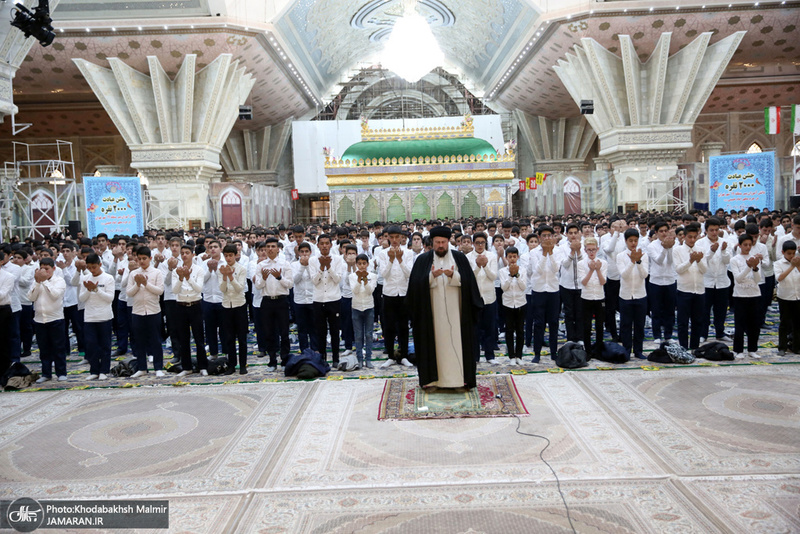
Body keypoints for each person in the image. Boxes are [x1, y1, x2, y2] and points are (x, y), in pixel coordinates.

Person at [407, 225, 483, 390]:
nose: (440, 246)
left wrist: (453, 276)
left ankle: (458, 381)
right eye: (437, 242)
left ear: (449, 241)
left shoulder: (459, 258)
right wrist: (430, 277)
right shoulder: (423, 260)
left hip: (457, 314)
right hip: (432, 315)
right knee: (434, 346)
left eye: (443, 242)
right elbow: (414, 287)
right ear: (432, 242)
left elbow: (470, 284)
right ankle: (433, 381)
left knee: (456, 345)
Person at [376, 226, 413, 368]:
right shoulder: (383, 254)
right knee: (389, 326)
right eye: (391, 237)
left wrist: (400, 259)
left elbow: (409, 274)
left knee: (403, 326)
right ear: (388, 238)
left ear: (402, 237)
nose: (395, 240)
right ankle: (391, 356)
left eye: (397, 237)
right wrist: (391, 260)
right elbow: (383, 274)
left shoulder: (408, 253)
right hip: (389, 293)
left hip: (403, 293)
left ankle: (403, 356)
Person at [126, 246, 166, 377]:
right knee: (139, 341)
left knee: (156, 340)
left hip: (153, 310)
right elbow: (129, 293)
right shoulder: (133, 274)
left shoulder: (157, 273)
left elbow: (160, 291)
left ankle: (158, 368)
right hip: (137, 311)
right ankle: (142, 368)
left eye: (144, 258)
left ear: (150, 258)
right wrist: (137, 284)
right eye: (139, 259)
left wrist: (145, 283)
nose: (142, 261)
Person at [256, 237, 294, 371]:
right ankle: (272, 361)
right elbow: (258, 285)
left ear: (278, 249)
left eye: (273, 246)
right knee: (268, 332)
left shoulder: (285, 264)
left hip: (281, 300)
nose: (270, 249)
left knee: (284, 332)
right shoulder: (261, 265)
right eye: (268, 247)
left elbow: (290, 284)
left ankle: (284, 360)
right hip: (267, 301)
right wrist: (264, 278)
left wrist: (279, 277)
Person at [172, 244, 209, 377]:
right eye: (182, 253)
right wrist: (181, 278)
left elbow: (199, 288)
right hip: (180, 306)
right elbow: (174, 290)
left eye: (187, 253)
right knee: (183, 339)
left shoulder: (199, 270)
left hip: (195, 305)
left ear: (193, 255)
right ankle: (186, 367)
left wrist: (188, 277)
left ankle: (203, 366)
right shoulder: (176, 271)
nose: (184, 255)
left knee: (199, 338)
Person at [28, 257, 67, 383]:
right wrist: (37, 282)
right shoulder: (36, 281)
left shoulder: (59, 281)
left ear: (53, 268)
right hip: (40, 320)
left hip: (55, 319)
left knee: (58, 348)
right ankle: (46, 373)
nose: (44, 271)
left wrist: (44, 281)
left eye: (47, 269)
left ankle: (61, 373)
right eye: (41, 269)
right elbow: (30, 297)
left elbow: (55, 295)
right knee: (44, 349)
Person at [79, 253, 115, 380]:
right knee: (91, 345)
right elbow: (81, 298)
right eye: (89, 267)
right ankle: (94, 370)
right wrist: (88, 289)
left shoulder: (108, 278)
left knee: (105, 345)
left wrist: (96, 289)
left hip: (104, 316)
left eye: (94, 267)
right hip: (89, 317)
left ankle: (104, 370)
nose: (92, 270)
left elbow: (110, 298)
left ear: (100, 264)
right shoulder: (85, 278)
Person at [674, 223, 707, 350]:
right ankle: (683, 347)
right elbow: (679, 269)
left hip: (699, 290)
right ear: (684, 237)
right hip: (684, 290)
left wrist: (698, 260)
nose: (692, 240)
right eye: (690, 237)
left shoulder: (701, 250)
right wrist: (690, 261)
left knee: (697, 321)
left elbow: (704, 270)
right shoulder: (677, 250)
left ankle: (694, 347)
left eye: (694, 237)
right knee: (682, 322)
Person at [466, 232, 498, 364]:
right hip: (474, 298)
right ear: (473, 244)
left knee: (489, 327)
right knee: (475, 329)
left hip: (489, 297)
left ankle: (490, 355)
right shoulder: (468, 257)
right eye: (477, 243)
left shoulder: (491, 256)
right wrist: (478, 266)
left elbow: (493, 277)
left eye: (482, 243)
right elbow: (468, 278)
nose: (480, 245)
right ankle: (475, 356)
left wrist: (485, 266)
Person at [617, 229, 649, 360]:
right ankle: (626, 350)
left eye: (635, 240)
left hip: (640, 295)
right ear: (626, 241)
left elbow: (645, 275)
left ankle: (638, 350)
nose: (633, 243)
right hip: (625, 295)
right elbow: (624, 275)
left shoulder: (644, 255)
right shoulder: (620, 256)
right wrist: (632, 262)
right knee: (626, 324)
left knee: (639, 325)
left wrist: (639, 261)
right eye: (630, 241)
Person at [730, 234, 763, 359]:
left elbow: (757, 279)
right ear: (739, 245)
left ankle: (752, 349)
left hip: (754, 294)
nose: (748, 247)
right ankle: (738, 350)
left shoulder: (755, 258)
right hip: (740, 295)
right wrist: (748, 267)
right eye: (745, 245)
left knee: (754, 324)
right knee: (740, 324)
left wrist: (755, 268)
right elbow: (738, 279)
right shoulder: (735, 260)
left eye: (750, 245)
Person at [219, 244, 249, 374]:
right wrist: (224, 277)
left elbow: (239, 288)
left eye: (230, 255)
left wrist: (231, 277)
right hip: (227, 306)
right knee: (229, 338)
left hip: (239, 305)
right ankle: (232, 365)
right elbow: (222, 289)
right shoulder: (222, 269)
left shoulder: (241, 269)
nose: (228, 258)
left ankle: (243, 365)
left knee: (242, 338)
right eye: (226, 256)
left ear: (236, 255)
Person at [578, 237, 607, 355]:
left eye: (593, 250)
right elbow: (583, 282)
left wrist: (598, 270)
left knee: (600, 325)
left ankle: (599, 349)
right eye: (589, 250)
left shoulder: (603, 263)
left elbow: (603, 282)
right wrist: (591, 270)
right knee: (587, 325)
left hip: (599, 296)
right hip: (586, 297)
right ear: (585, 250)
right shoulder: (581, 264)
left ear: (597, 249)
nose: (591, 252)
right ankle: (588, 350)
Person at [499, 246, 526, 365]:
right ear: (506, 258)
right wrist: (510, 275)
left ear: (518, 257)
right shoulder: (502, 271)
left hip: (520, 302)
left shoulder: (523, 270)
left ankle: (519, 355)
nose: (512, 259)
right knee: (509, 330)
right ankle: (511, 356)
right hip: (508, 303)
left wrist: (517, 275)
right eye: (510, 257)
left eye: (514, 256)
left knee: (520, 330)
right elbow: (504, 288)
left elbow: (523, 287)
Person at [349, 253, 377, 369]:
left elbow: (370, 291)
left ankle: (368, 359)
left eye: (364, 263)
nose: (362, 266)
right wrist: (359, 279)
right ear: (356, 264)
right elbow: (355, 291)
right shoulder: (352, 276)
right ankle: (359, 359)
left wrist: (365, 280)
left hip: (369, 307)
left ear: (367, 264)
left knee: (369, 334)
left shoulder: (373, 276)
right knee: (358, 335)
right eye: (359, 264)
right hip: (356, 307)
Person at [774, 240, 800, 356]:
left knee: (797, 323)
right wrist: (792, 266)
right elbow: (779, 278)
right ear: (783, 252)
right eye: (789, 253)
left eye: (793, 253)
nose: (791, 256)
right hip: (785, 297)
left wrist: (797, 266)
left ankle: (796, 347)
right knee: (784, 323)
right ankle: (782, 347)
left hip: (798, 296)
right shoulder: (778, 264)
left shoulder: (798, 261)